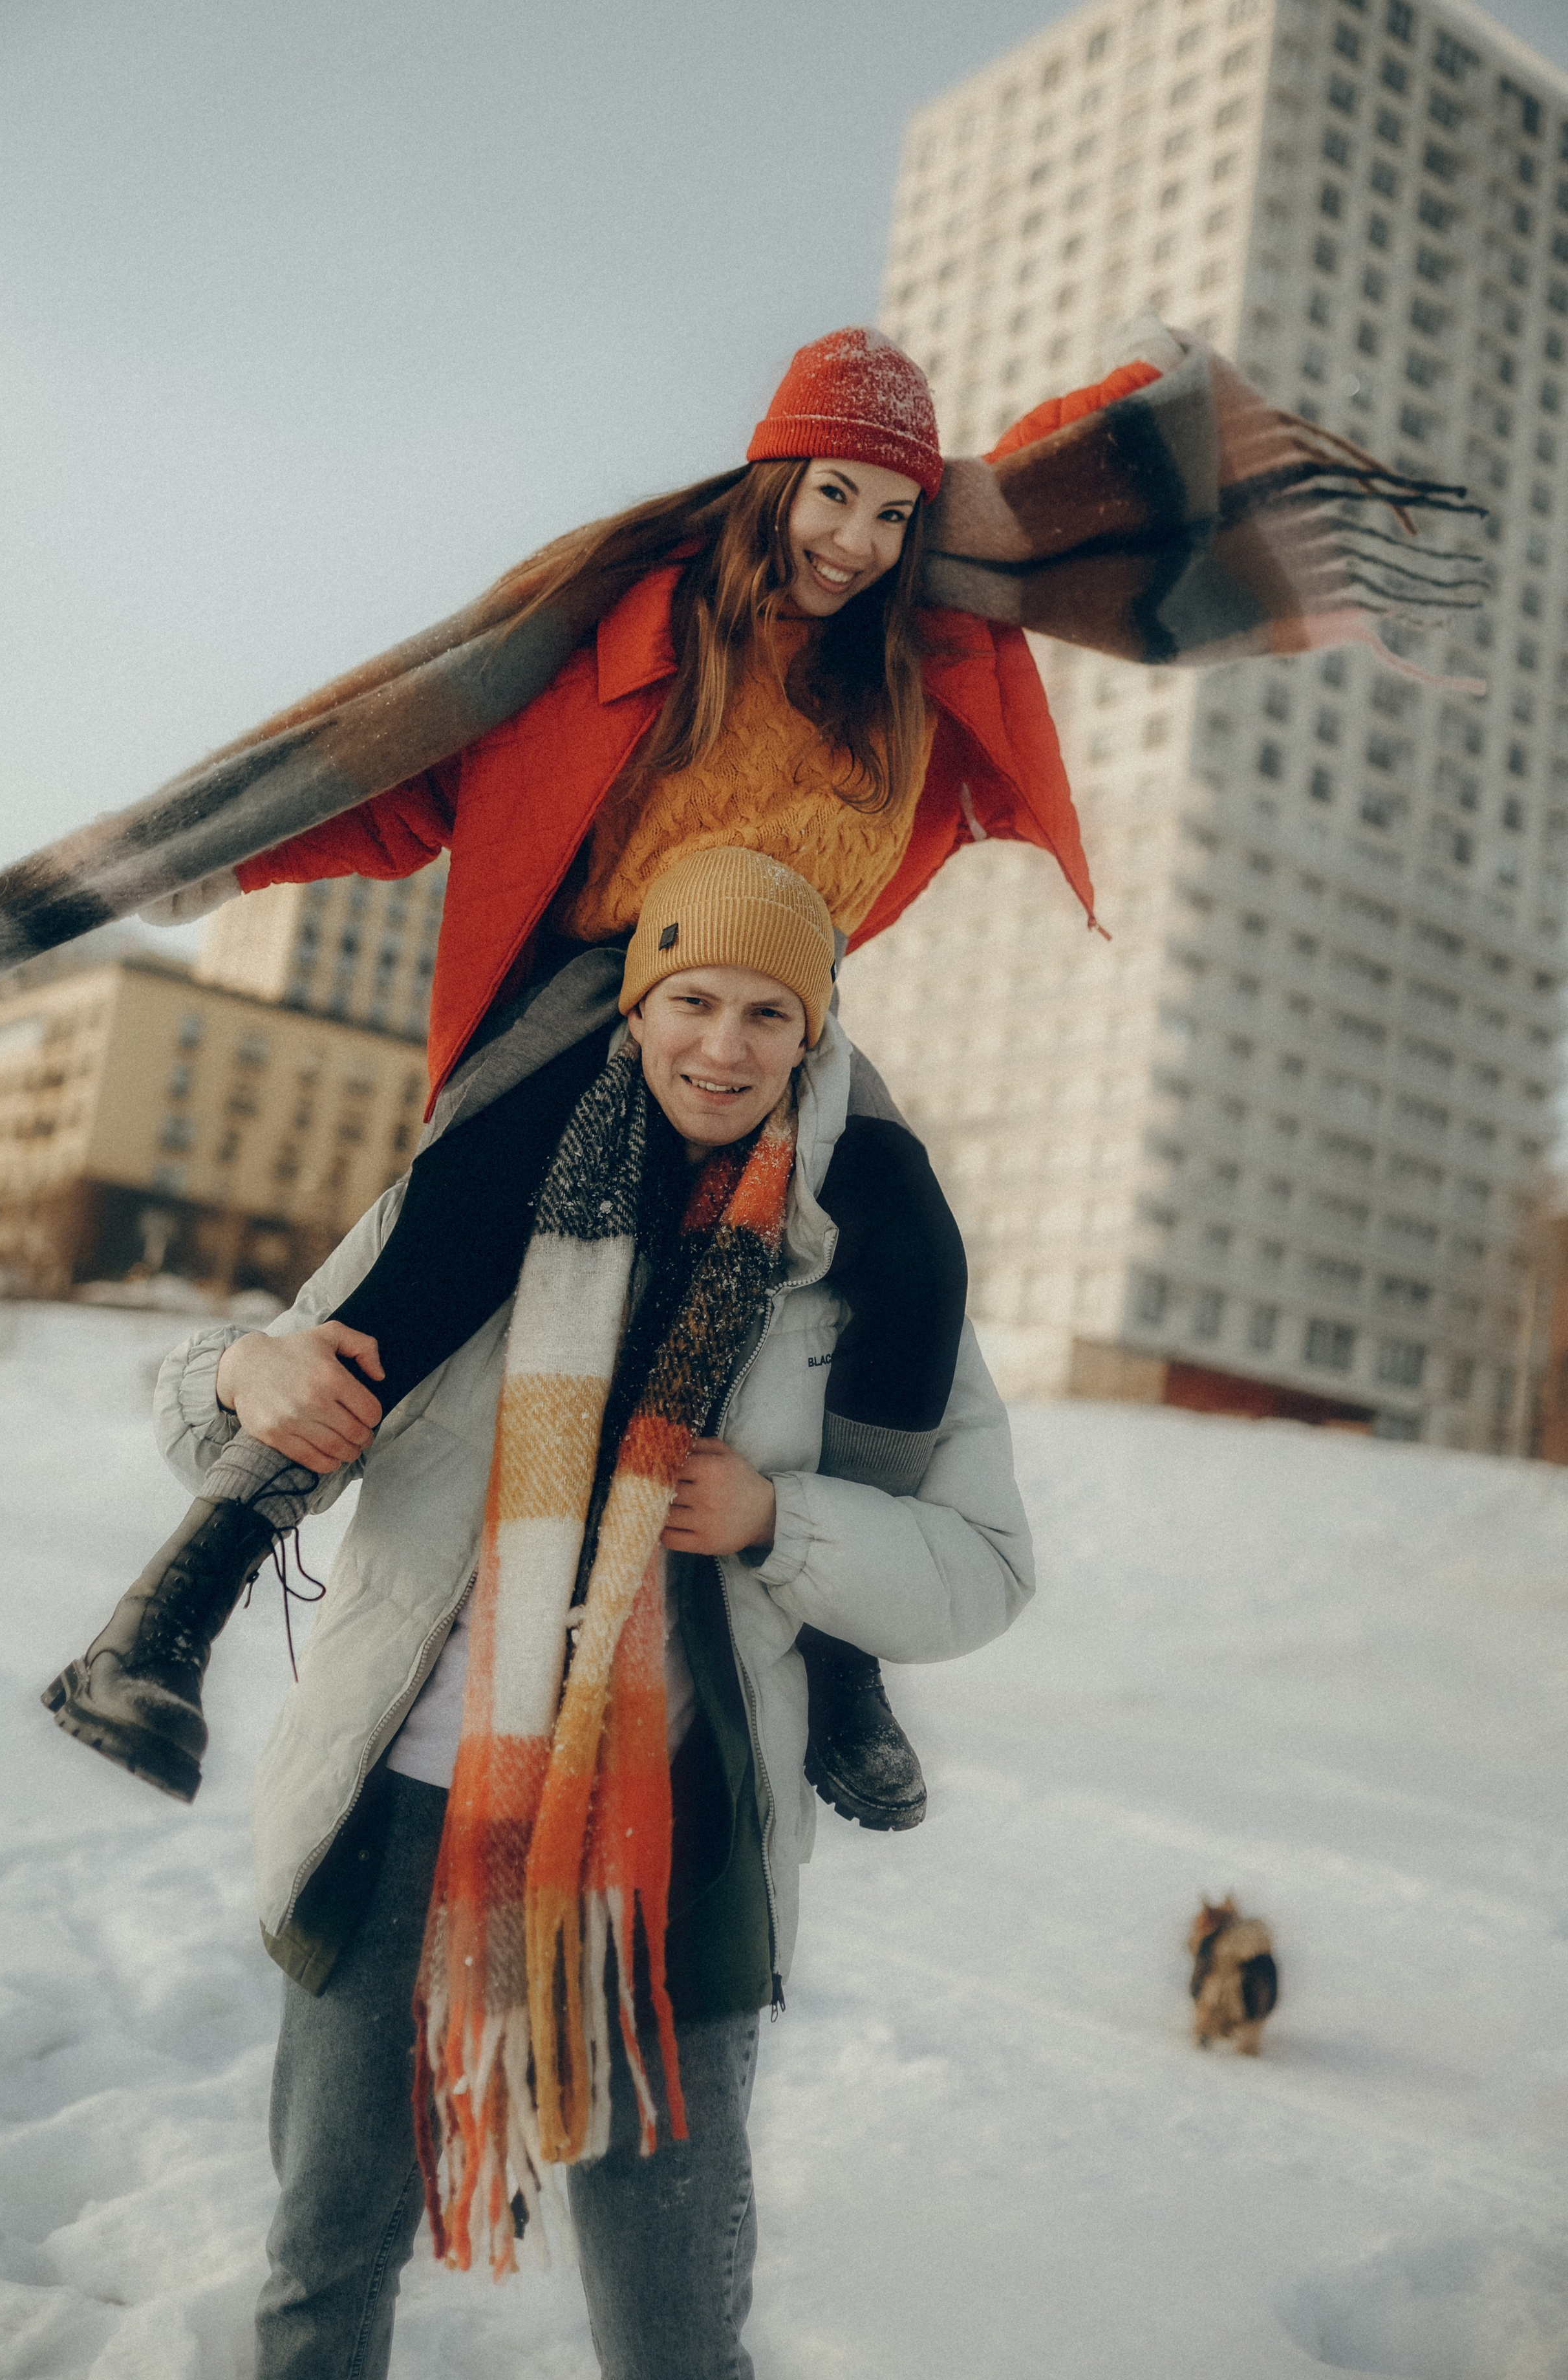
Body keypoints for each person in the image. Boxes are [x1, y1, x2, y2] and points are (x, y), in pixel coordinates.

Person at [45, 325, 1128, 1823]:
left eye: (893, 515)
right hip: (601, 992)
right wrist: (207, 855)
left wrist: (1149, 390)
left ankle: (845, 1661)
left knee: (912, 1239)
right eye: (831, 496)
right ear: (771, 475)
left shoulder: (913, 659)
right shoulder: (628, 636)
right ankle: (169, 1607)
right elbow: (394, 770)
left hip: (784, 1017)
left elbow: (1070, 500)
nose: (858, 544)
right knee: (453, 1228)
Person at [151, 847, 1034, 2375]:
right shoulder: (477, 1203)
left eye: (770, 1016)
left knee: (675, 2325)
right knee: (324, 2259)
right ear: (634, 1010)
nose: (724, 1047)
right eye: (691, 999)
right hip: (401, 1806)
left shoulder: (864, 1268)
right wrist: (241, 1370)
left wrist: (782, 1522)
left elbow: (981, 1567)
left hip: (673, 1844)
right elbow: (219, 1423)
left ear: (811, 1038)